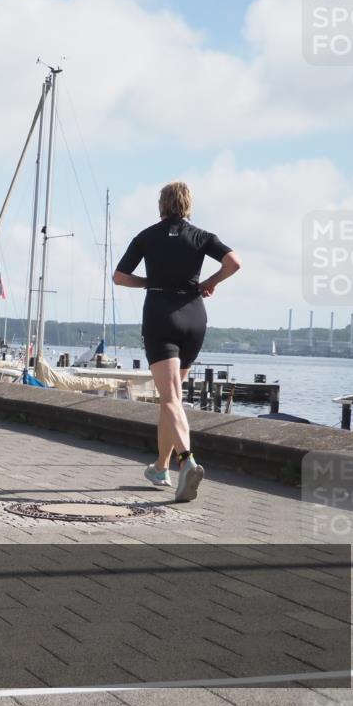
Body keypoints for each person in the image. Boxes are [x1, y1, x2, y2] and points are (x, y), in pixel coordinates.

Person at [113, 182, 241, 502]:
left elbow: (119, 277)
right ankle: (160, 466)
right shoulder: (201, 236)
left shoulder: (146, 236)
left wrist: (150, 282)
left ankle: (188, 461)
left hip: (161, 316)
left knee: (170, 398)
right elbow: (234, 262)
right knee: (171, 399)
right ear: (187, 205)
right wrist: (210, 282)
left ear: (162, 205)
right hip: (194, 318)